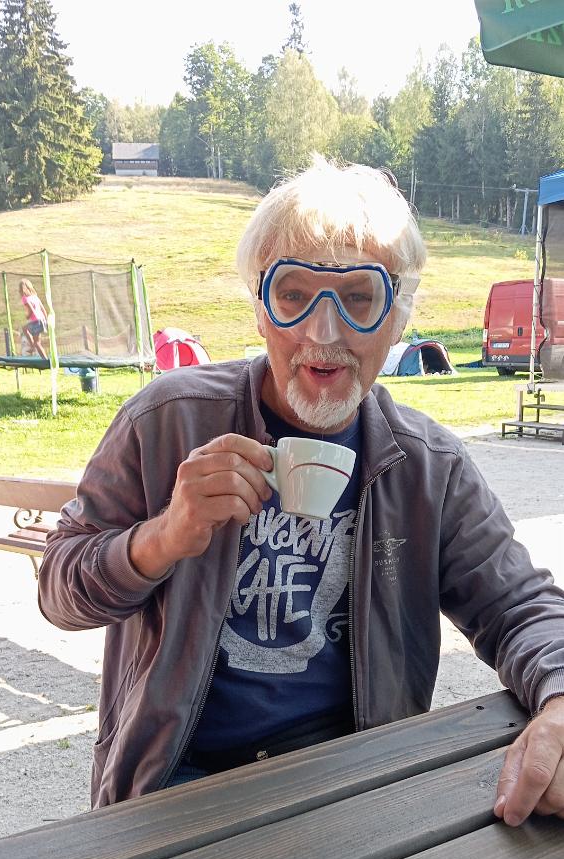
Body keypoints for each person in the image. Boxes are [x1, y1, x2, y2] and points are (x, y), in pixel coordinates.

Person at [39, 156, 564, 825]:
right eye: (293, 294)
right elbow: (59, 592)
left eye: (358, 298)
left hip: (351, 781)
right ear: (261, 309)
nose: (323, 332)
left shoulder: (428, 466)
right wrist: (160, 539)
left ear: (397, 319)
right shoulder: (167, 420)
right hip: (174, 782)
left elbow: (519, 606)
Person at [19, 279, 48, 361]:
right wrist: (46, 320)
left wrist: (28, 316)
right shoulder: (35, 297)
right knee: (25, 329)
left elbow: (31, 309)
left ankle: (45, 360)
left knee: (37, 343)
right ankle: (33, 346)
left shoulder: (25, 298)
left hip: (36, 321)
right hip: (41, 320)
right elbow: (43, 309)